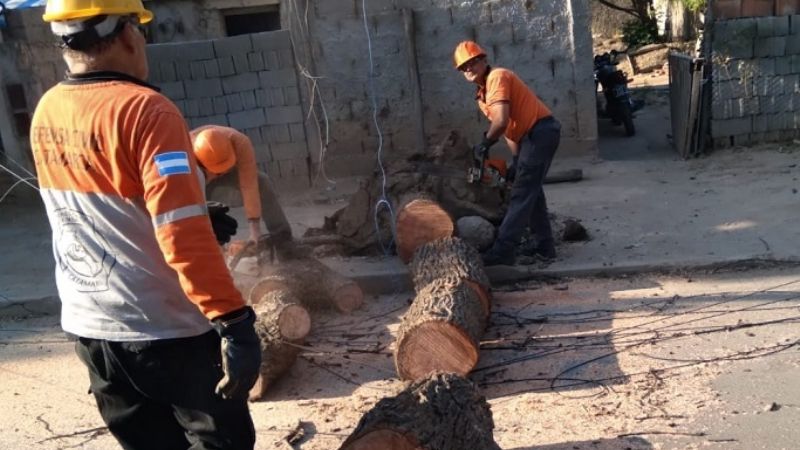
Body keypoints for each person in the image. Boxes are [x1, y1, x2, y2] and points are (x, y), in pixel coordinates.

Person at [30, 1, 260, 449]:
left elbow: (98, 211)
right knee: (222, 441)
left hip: (91, 328)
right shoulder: (148, 111)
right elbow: (180, 233)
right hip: (165, 330)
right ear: (128, 32)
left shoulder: (46, 110)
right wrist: (233, 320)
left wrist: (189, 211)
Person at [453, 40, 562, 265]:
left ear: (483, 60)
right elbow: (510, 130)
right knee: (531, 190)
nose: (469, 69)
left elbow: (501, 122)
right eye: (463, 67)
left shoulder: (497, 77)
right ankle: (545, 246)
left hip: (540, 132)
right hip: (529, 137)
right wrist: (516, 159)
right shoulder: (482, 96)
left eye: (472, 63)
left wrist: (484, 144)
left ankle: (503, 251)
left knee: (521, 193)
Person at [190, 124, 293, 244]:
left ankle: (283, 242)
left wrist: (255, 231)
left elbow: (249, 185)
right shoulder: (182, 151)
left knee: (262, 181)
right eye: (217, 172)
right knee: (199, 210)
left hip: (223, 167)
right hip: (195, 176)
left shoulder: (240, 142)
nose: (220, 174)